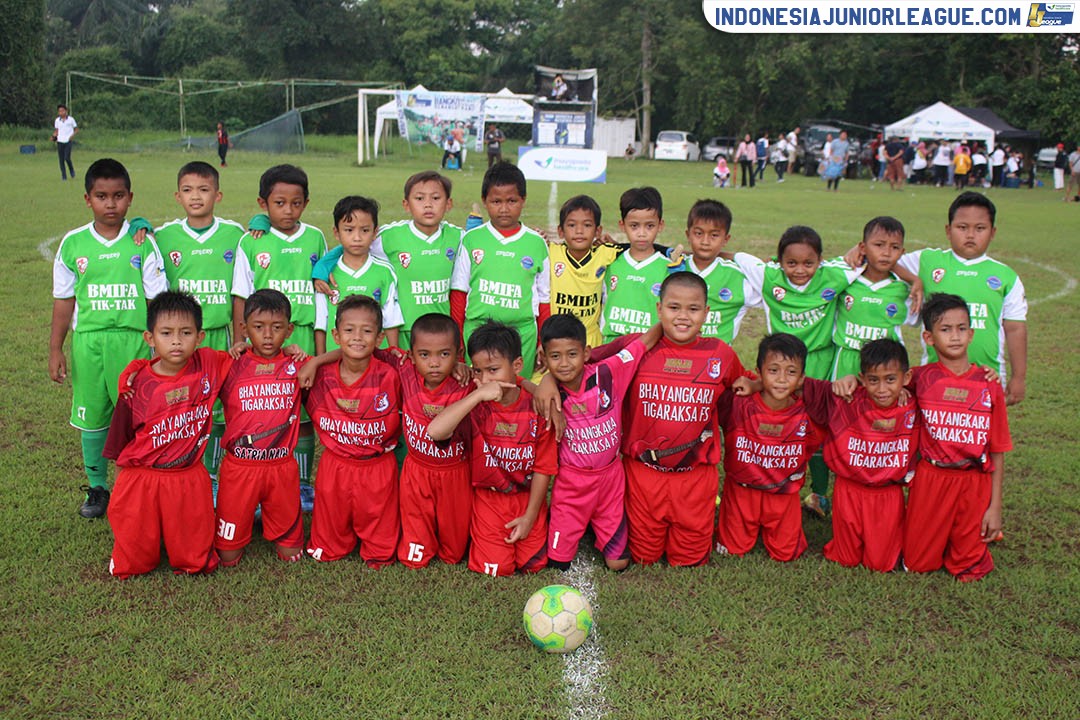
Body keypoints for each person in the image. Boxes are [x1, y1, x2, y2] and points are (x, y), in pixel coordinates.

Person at [592, 273, 747, 567]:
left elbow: (744, 386)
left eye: (693, 309)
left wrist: (754, 384)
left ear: (706, 312)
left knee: (688, 560)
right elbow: (584, 364)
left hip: (695, 479)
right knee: (643, 557)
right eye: (674, 308)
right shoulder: (635, 347)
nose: (683, 317)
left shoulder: (720, 354)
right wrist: (544, 382)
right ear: (659, 308)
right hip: (643, 474)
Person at [50, 158, 168, 519]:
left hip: (133, 342)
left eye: (118, 196)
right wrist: (55, 348)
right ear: (88, 199)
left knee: (138, 415)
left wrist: (159, 346)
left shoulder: (142, 242)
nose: (111, 204)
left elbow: (157, 299)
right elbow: (64, 300)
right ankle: (98, 487)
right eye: (102, 196)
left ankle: (139, 481)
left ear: (130, 197)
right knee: (93, 416)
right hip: (89, 342)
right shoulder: (73, 244)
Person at [103, 291, 231, 578]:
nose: (176, 341)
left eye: (185, 332)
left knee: (194, 559)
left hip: (187, 475)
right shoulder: (136, 384)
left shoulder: (209, 364)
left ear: (200, 337)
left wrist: (299, 355)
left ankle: (185, 548)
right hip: (143, 477)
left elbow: (252, 358)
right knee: (134, 560)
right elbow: (119, 443)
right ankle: (134, 549)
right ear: (150, 338)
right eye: (166, 333)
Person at [427, 321, 557, 576]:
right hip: (489, 500)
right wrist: (477, 396)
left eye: (493, 370)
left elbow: (544, 468)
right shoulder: (475, 401)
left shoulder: (537, 406)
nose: (485, 379)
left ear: (517, 366)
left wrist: (530, 517)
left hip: (527, 499)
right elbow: (435, 431)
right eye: (478, 371)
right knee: (497, 569)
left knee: (534, 566)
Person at [232, 164, 327, 511]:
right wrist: (241, 337)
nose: (288, 211)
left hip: (300, 335)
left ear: (306, 202)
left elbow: (322, 292)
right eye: (279, 203)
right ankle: (256, 478)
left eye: (296, 203)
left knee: (302, 416)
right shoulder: (250, 240)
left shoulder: (316, 237)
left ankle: (302, 484)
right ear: (263, 203)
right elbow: (240, 295)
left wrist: (318, 354)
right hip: (263, 341)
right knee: (265, 411)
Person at [537, 315, 661, 571]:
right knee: (557, 563)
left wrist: (671, 318)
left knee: (618, 563)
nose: (564, 364)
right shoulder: (549, 393)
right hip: (572, 484)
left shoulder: (608, 372)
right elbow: (524, 389)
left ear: (586, 353)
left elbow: (644, 342)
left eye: (572, 354)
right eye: (555, 356)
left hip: (610, 480)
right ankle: (575, 523)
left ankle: (595, 524)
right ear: (544, 357)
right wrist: (543, 384)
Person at [904, 293, 1011, 582]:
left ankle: (968, 535)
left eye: (962, 328)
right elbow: (884, 381)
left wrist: (995, 508)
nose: (955, 336)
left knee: (968, 568)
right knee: (917, 563)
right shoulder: (918, 377)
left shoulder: (988, 385)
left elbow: (998, 449)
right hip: (931, 479)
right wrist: (851, 378)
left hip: (973, 482)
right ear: (928, 337)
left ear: (972, 333)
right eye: (945, 329)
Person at [154, 161, 246, 480]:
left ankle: (215, 473)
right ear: (177, 196)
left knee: (221, 411)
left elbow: (242, 290)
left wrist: (239, 336)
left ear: (217, 195)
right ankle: (188, 468)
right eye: (188, 190)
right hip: (181, 340)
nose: (196, 197)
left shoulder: (236, 234)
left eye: (204, 190)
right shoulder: (162, 237)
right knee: (186, 408)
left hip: (219, 335)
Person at [894, 192, 1027, 404]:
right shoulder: (927, 261)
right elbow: (882, 258)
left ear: (992, 232)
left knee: (982, 434)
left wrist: (1018, 377)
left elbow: (1015, 328)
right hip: (935, 379)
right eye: (962, 227)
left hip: (987, 378)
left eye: (980, 228)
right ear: (948, 230)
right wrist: (913, 279)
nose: (971, 235)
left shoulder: (1005, 276)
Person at [803, 339, 917, 572]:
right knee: (845, 558)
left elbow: (942, 379)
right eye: (873, 380)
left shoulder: (914, 404)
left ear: (906, 379)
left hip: (888, 494)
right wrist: (849, 381)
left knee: (880, 563)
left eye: (891, 380)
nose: (882, 389)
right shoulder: (846, 399)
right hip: (848, 490)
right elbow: (794, 383)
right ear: (863, 379)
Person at [304, 294, 402, 566]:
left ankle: (377, 545)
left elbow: (431, 363)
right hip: (335, 467)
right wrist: (312, 361)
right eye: (349, 330)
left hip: (378, 466)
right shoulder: (318, 376)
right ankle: (334, 539)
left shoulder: (391, 373)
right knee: (328, 541)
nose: (357, 337)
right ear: (335, 335)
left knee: (381, 548)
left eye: (367, 331)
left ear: (380, 337)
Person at [313, 172, 461, 349]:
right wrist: (322, 268)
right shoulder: (389, 236)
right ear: (406, 204)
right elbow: (352, 246)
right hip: (405, 330)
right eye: (420, 198)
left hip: (441, 329)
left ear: (448, 203)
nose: (428, 205)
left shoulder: (459, 237)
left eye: (436, 198)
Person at [714, 334, 825, 562]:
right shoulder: (739, 403)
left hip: (784, 496)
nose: (782, 379)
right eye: (773, 370)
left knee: (787, 554)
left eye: (791, 372)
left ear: (802, 377)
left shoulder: (808, 412)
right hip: (741, 493)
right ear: (758, 371)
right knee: (731, 550)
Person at [386, 313, 473, 568]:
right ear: (411, 355)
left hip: (454, 473)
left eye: (444, 355)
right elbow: (360, 352)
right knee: (414, 555)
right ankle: (418, 543)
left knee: (454, 553)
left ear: (459, 354)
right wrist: (316, 362)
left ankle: (450, 542)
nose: (434, 363)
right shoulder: (404, 368)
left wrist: (539, 386)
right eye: (425, 355)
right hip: (417, 471)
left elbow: (505, 383)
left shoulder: (466, 383)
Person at [450, 162, 550, 377]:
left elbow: (544, 298)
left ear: (523, 200)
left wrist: (544, 340)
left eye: (511, 201)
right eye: (496, 201)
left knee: (517, 397)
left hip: (522, 334)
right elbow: (459, 292)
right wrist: (457, 339)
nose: (504, 208)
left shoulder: (537, 243)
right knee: (479, 395)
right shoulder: (471, 239)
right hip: (477, 332)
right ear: (485, 201)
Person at [313, 196, 403, 353]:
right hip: (336, 358)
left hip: (374, 359)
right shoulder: (327, 274)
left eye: (365, 230)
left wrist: (393, 351)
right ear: (336, 232)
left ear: (375, 232)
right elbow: (321, 320)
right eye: (349, 230)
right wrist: (320, 358)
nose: (357, 237)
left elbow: (391, 317)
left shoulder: (385, 271)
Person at [830, 217, 916, 380]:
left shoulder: (903, 289)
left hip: (883, 366)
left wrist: (915, 280)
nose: (886, 253)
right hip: (846, 360)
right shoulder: (846, 279)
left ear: (902, 253)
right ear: (862, 247)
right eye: (879, 245)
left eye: (894, 247)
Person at [666, 199, 759, 342]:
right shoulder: (673, 269)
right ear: (688, 234)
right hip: (676, 358)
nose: (705, 241)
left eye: (714, 235)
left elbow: (774, 295)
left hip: (717, 360)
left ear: (726, 239)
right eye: (698, 233)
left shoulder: (737, 277)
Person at [599, 187, 670, 343]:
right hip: (612, 347)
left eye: (649, 226)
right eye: (634, 226)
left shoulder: (669, 268)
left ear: (660, 225)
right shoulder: (609, 262)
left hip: (649, 347)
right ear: (622, 225)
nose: (642, 233)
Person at [52, 104, 78, 181]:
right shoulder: (57, 120)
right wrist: (54, 137)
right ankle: (64, 176)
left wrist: (72, 136)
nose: (61, 112)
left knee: (67, 157)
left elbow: (76, 129)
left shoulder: (71, 119)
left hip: (68, 141)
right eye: (59, 111)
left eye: (62, 111)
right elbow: (56, 131)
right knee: (61, 159)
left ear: (66, 111)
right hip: (60, 141)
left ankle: (71, 170)